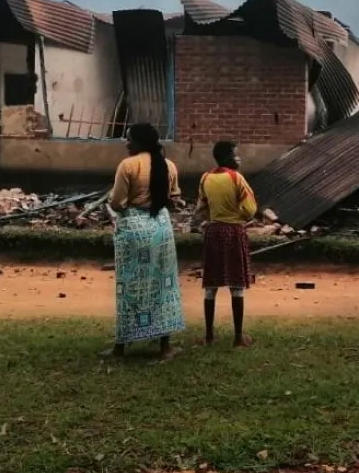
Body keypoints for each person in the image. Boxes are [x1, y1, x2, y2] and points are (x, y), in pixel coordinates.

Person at [106, 123, 185, 359]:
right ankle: (165, 345)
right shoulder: (169, 165)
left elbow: (117, 202)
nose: (126, 143)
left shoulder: (128, 165)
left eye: (129, 139)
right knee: (163, 285)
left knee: (130, 288)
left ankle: (121, 346)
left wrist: (111, 200)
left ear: (139, 142)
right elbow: (175, 197)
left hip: (135, 230)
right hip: (161, 228)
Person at [194, 140, 257, 347]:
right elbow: (250, 209)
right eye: (236, 154)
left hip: (213, 232)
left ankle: (209, 336)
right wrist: (235, 215)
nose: (239, 158)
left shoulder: (205, 178)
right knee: (236, 284)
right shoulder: (236, 178)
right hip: (233, 232)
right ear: (228, 157)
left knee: (211, 285)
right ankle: (238, 337)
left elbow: (201, 207)